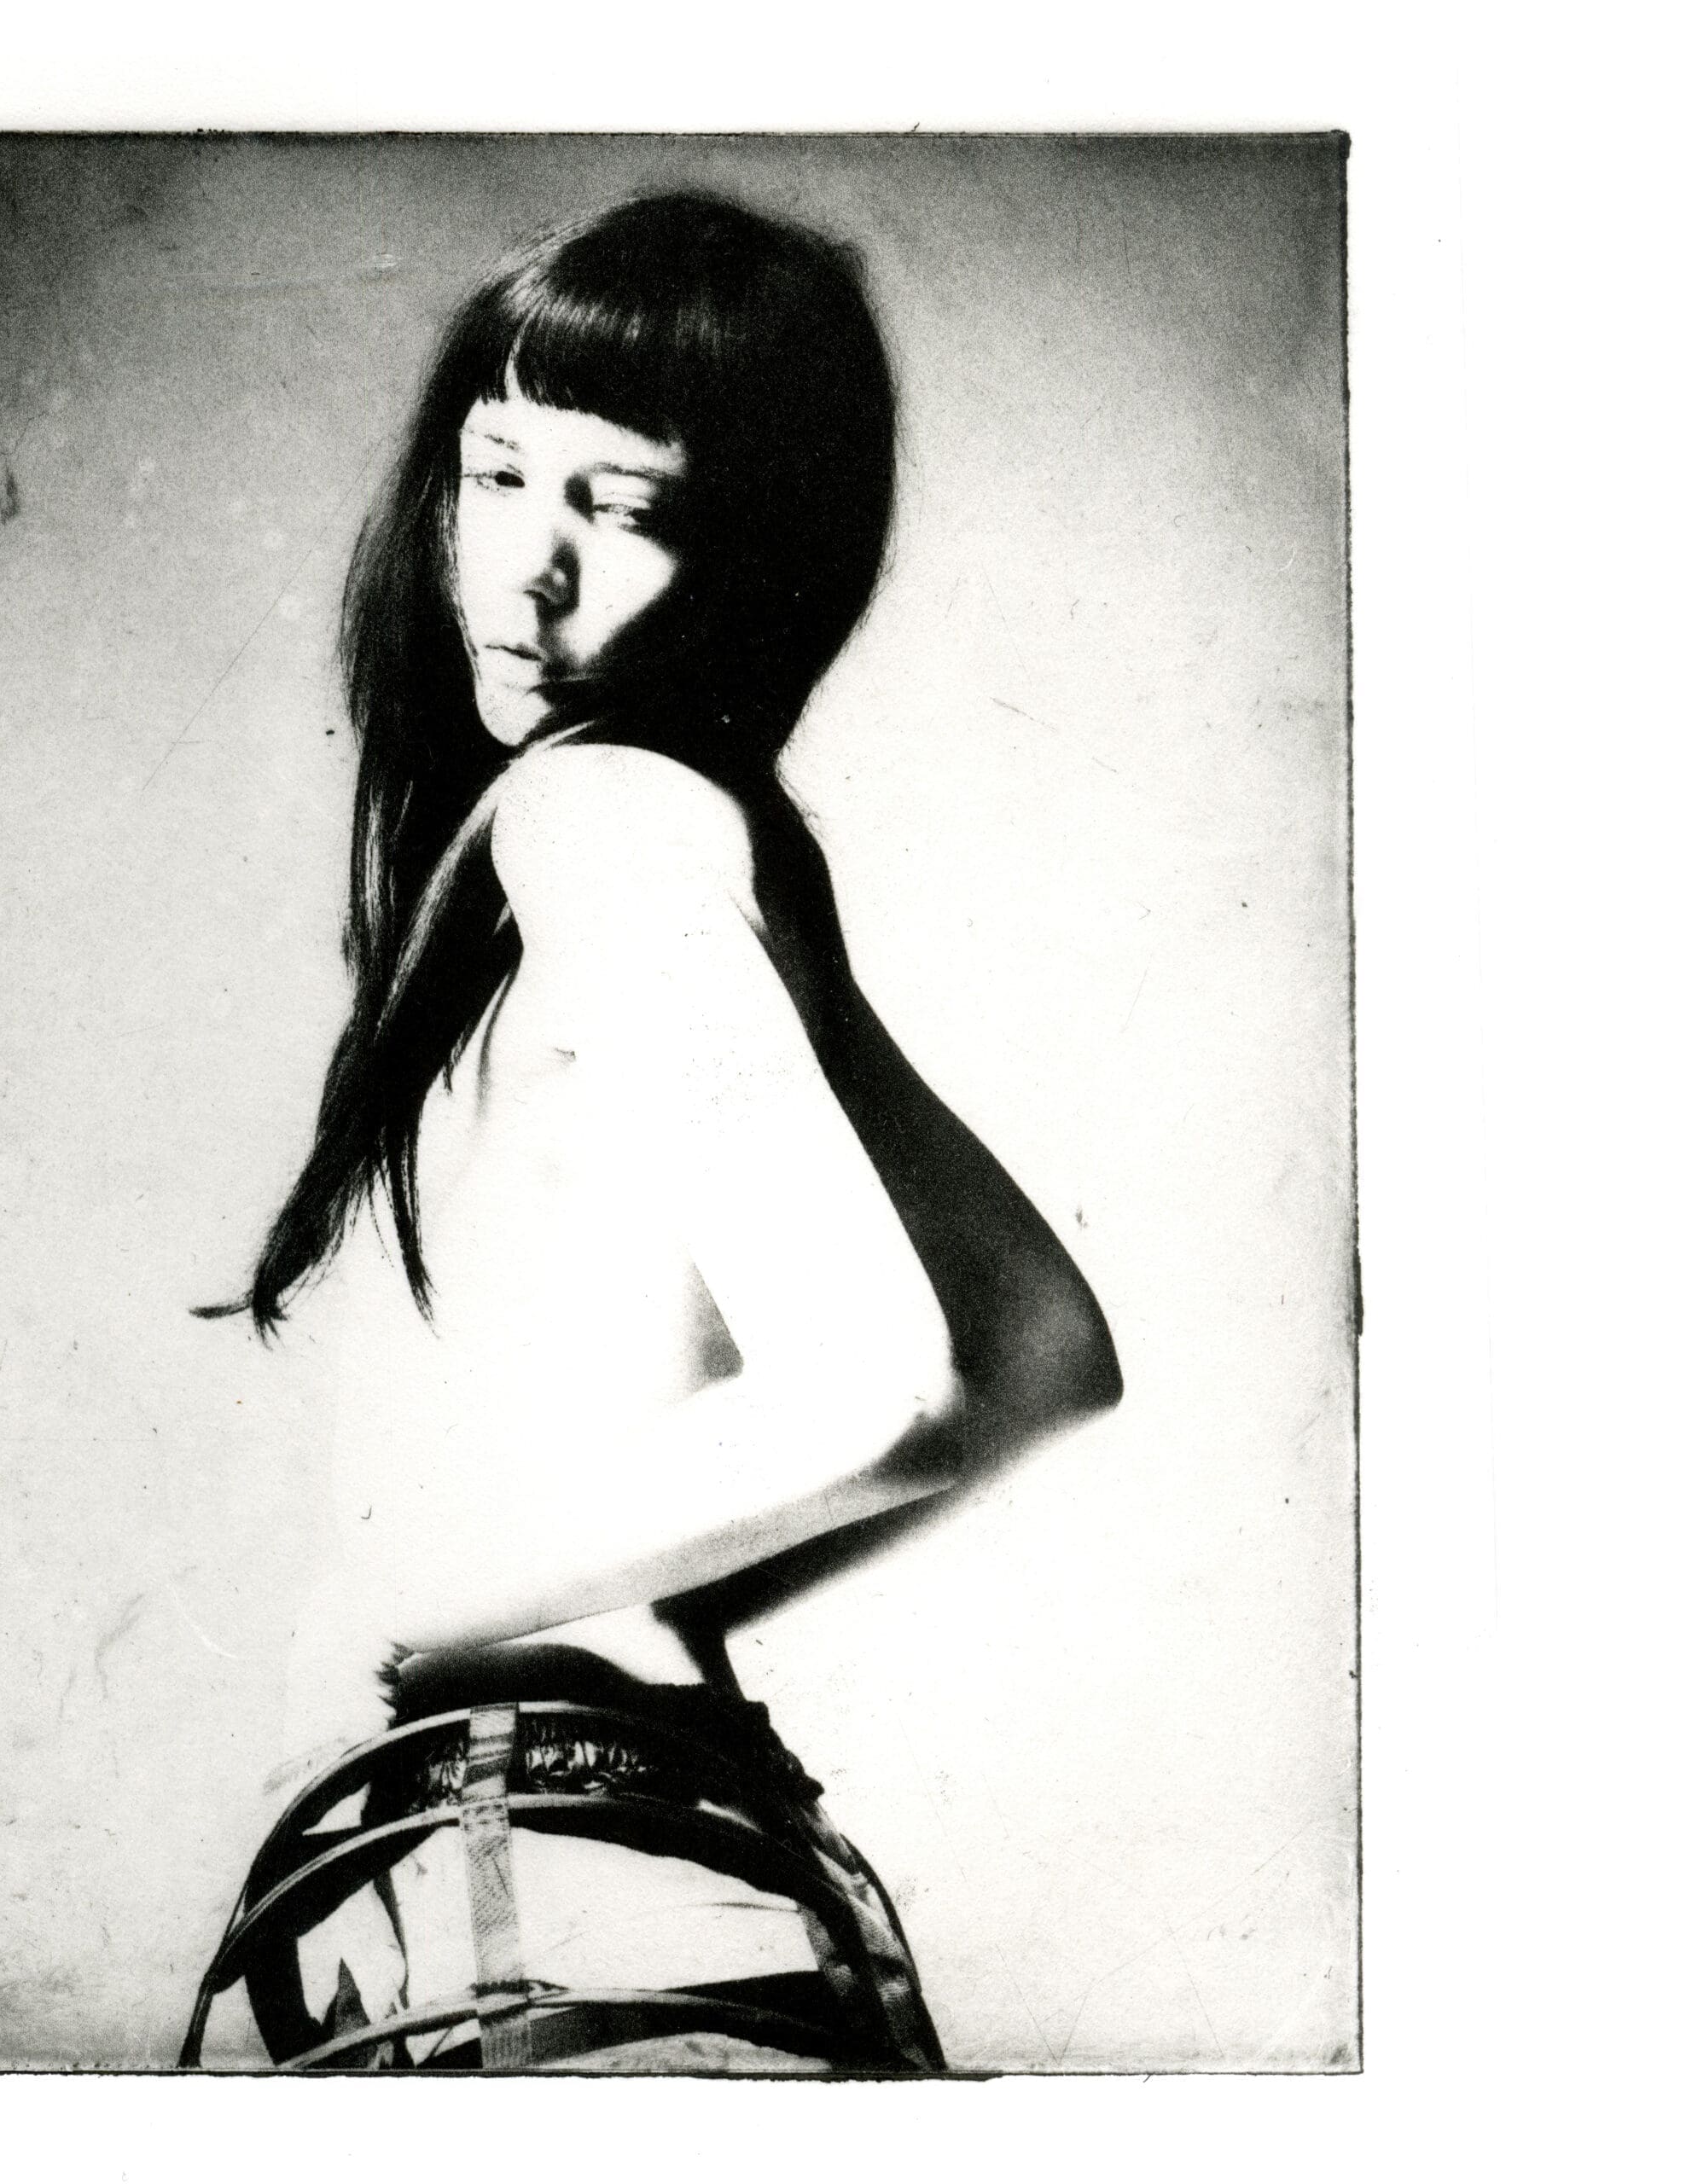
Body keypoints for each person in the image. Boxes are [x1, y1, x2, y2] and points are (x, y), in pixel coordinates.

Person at [189, 190, 1122, 2072]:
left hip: (547, 1908)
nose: (523, 570)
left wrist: (412, 1597)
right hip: (622, 1894)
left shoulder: (600, 815)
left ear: (758, 559)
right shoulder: (671, 832)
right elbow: (1043, 1343)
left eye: (616, 507)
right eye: (496, 474)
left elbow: (893, 1383)